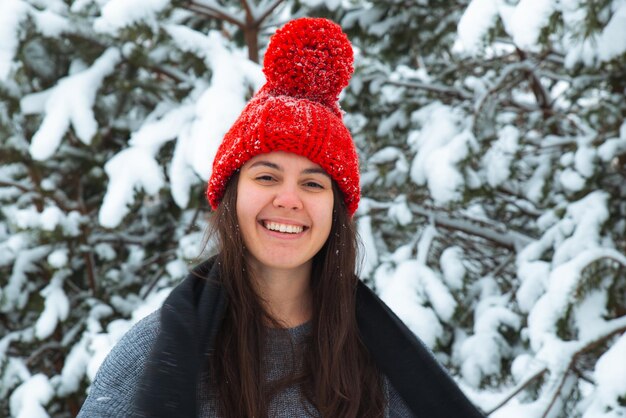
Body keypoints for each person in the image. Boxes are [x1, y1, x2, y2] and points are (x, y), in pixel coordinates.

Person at [78, 17, 485, 418]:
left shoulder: (387, 360)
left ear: (335, 211)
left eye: (312, 184)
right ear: (232, 196)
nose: (289, 199)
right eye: (267, 176)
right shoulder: (154, 354)